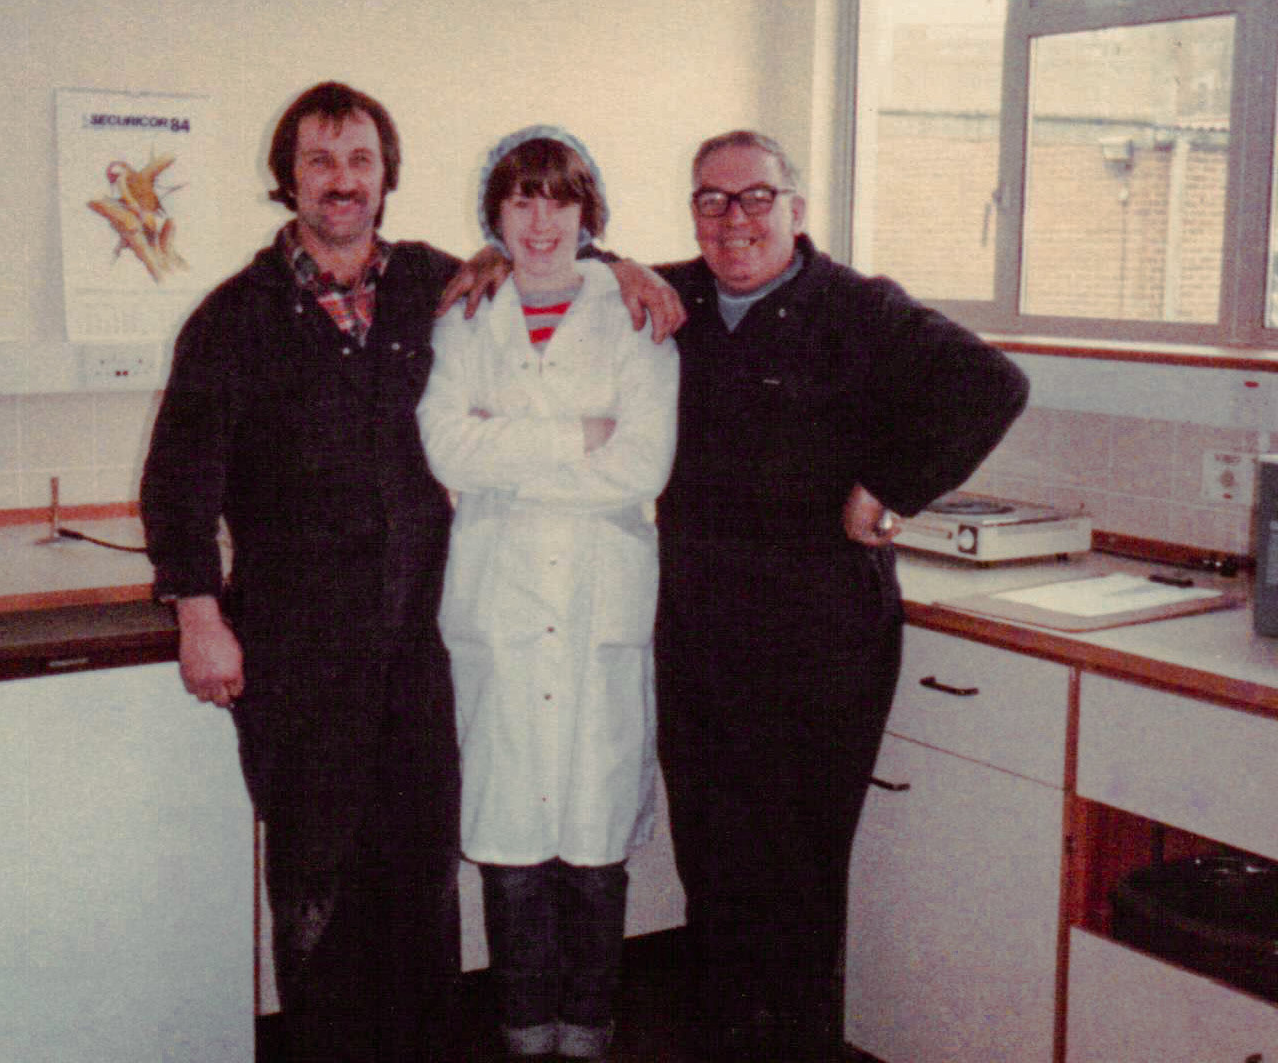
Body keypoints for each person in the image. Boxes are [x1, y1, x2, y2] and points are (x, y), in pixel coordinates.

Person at [139, 83, 681, 1063]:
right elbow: (179, 480)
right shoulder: (234, 319)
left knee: (422, 879)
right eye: (319, 161)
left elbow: (545, 252)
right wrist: (196, 612)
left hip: (422, 650)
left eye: (359, 161)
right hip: (300, 653)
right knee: (317, 881)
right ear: (288, 178)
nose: (341, 182)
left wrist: (620, 264)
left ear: (387, 176)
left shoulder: (439, 286)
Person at [651, 131, 1030, 1062]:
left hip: (816, 646)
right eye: (711, 200)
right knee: (712, 868)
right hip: (698, 635)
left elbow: (994, 381)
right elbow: (560, 261)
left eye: (756, 198)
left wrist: (892, 483)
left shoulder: (857, 310)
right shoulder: (677, 297)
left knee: (792, 881)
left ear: (796, 208)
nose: (733, 219)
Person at [417, 126, 679, 1063]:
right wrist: (581, 435)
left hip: (600, 600)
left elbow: (644, 460)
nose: (540, 219)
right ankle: (525, 1036)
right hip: (497, 599)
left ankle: (590, 1035)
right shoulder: (465, 312)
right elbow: (446, 449)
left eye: (559, 199)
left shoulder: (637, 313)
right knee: (512, 842)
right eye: (520, 199)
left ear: (587, 212)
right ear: (493, 213)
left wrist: (508, 451)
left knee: (594, 841)